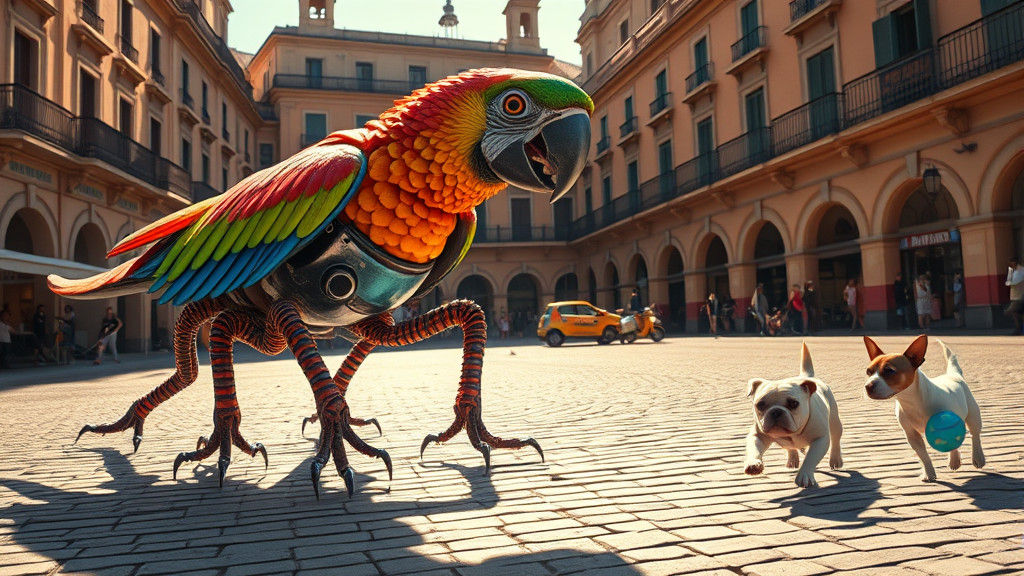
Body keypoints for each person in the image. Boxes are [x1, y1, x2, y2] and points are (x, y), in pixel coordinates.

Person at [1005, 256, 1024, 335]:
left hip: (1019, 296)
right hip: (1016, 296)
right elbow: (1008, 282)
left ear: (1015, 263)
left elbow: (1011, 282)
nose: (1009, 265)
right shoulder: (1015, 271)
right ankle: (1018, 329)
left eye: (1010, 263)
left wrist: (1010, 272)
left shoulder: (1020, 271)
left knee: (1011, 312)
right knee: (1016, 313)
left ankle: (1018, 329)